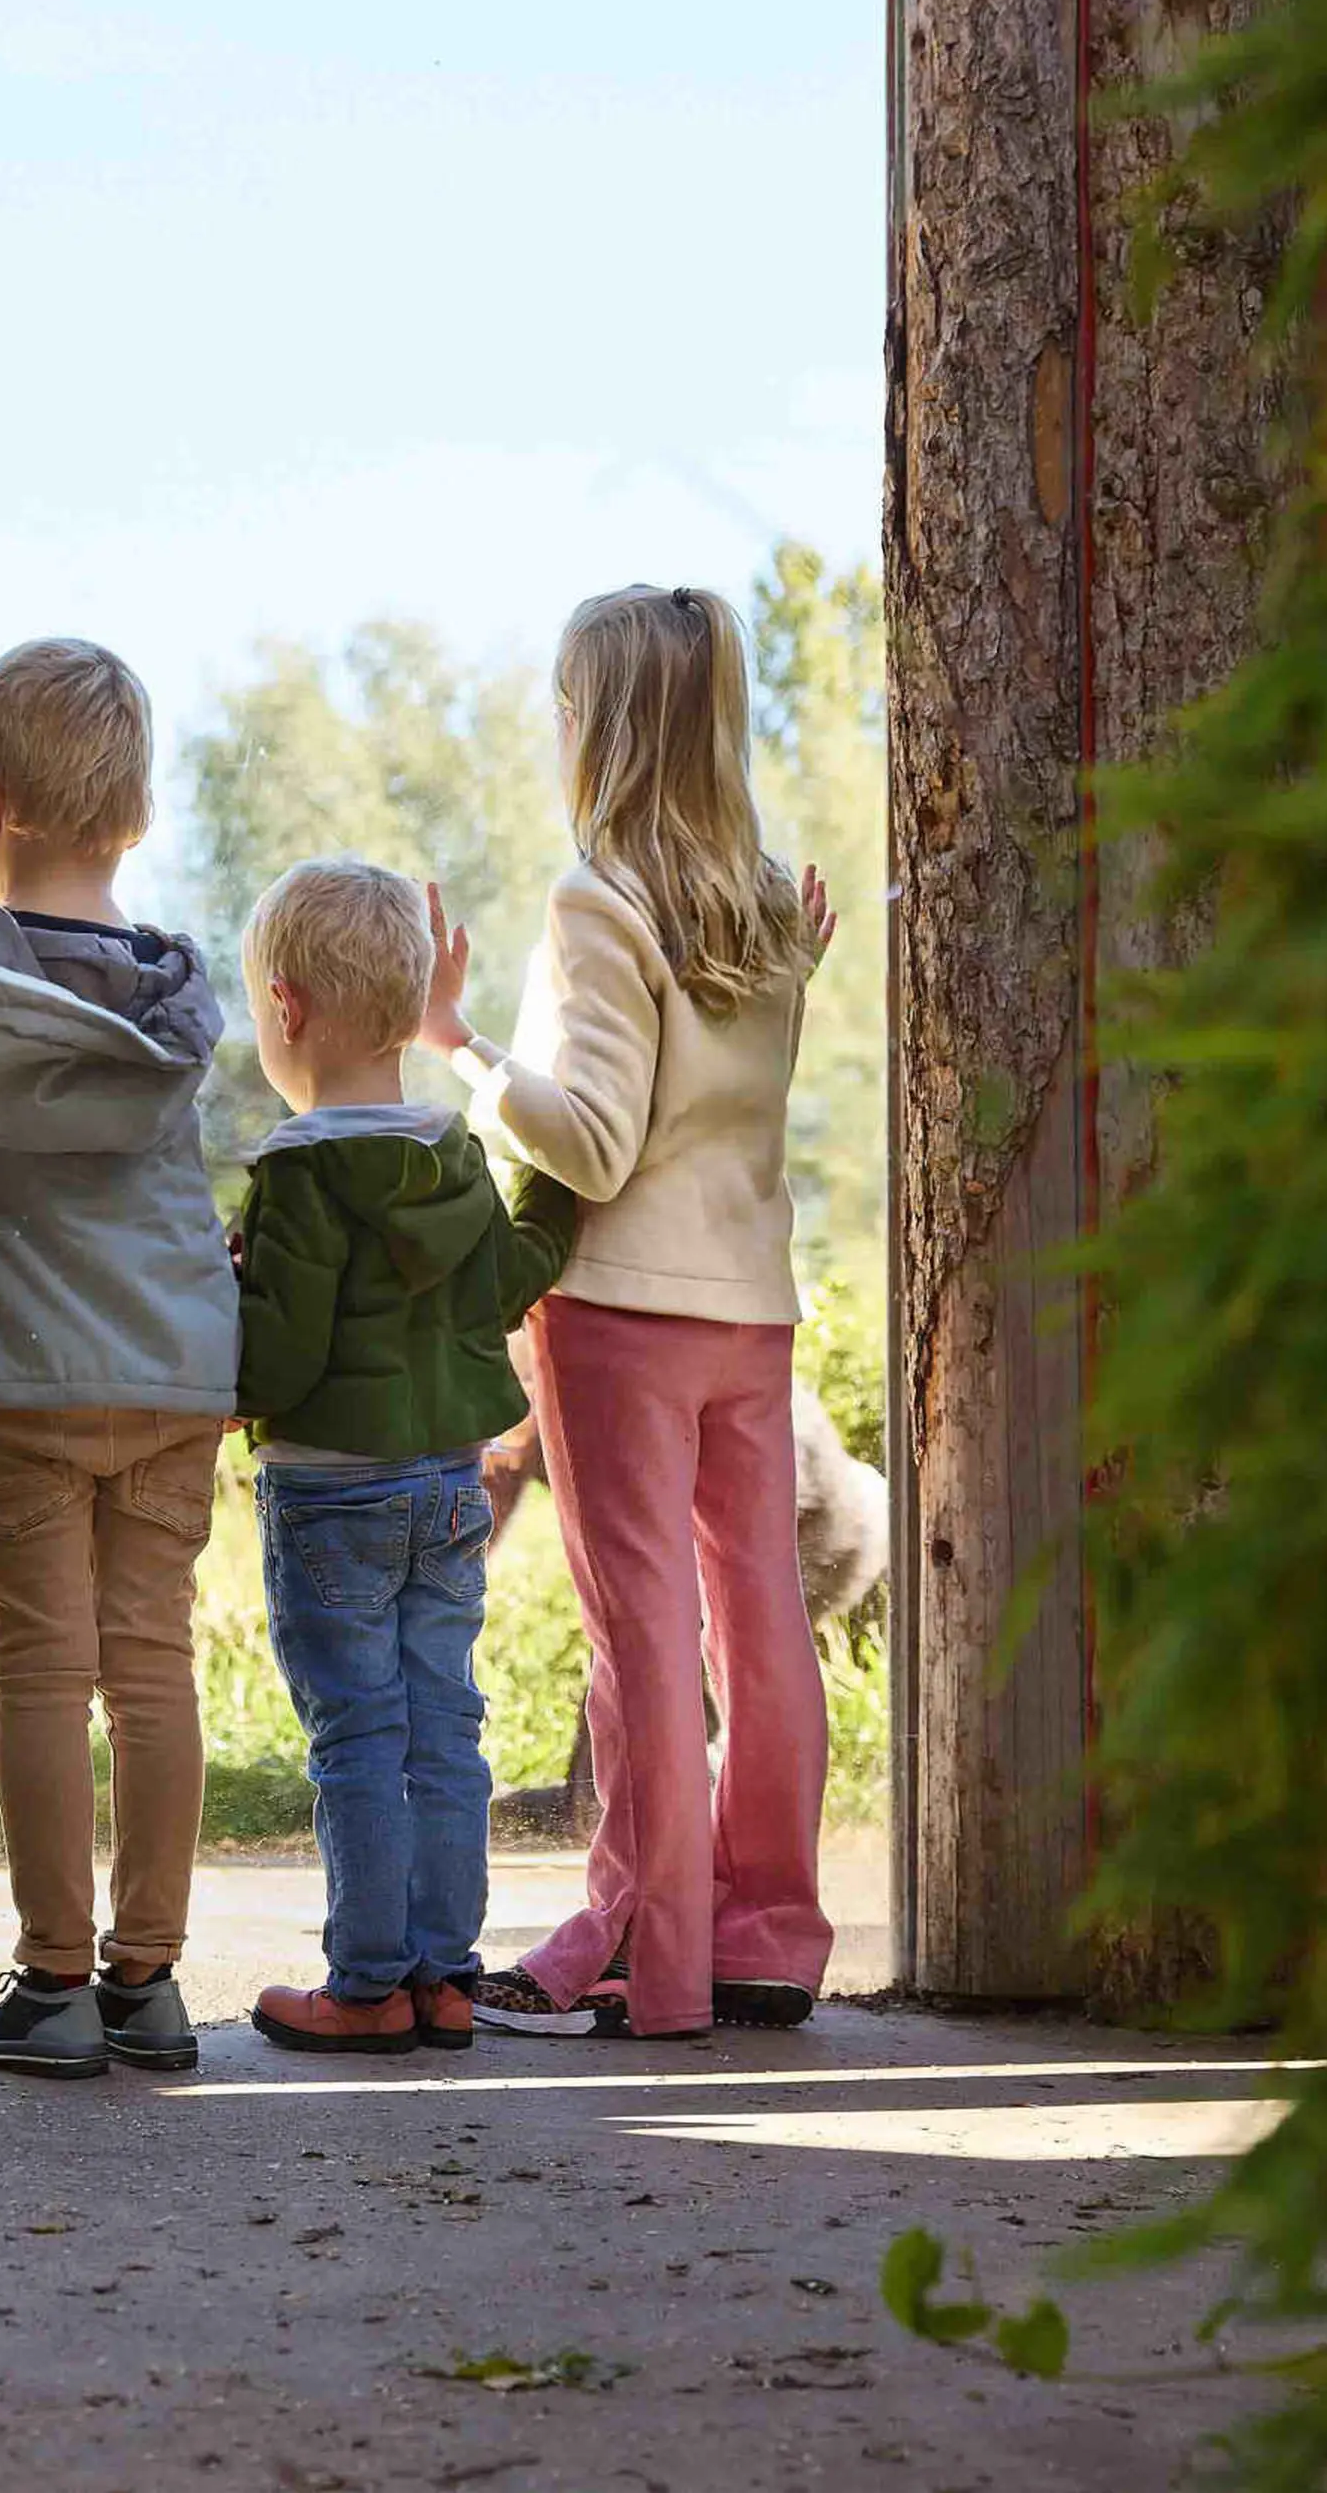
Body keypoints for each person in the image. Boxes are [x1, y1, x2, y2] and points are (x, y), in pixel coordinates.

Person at [430, 584, 842, 2040]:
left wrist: (461, 1045)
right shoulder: (770, 906)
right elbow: (731, 1100)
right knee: (762, 1618)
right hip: (752, 1310)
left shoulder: (597, 901)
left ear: (598, 730)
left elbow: (597, 1145)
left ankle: (651, 1962)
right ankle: (767, 1936)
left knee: (646, 1635)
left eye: (563, 708)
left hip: (621, 1315)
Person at [0, 638, 240, 2078]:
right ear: (135, 814)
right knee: (152, 1667)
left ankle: (53, 1983)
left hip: (24, 1375)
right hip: (174, 1374)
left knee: (40, 1670)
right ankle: (151, 1982)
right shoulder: (177, 1001)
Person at [230, 859, 577, 2055]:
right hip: (448, 1487)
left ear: (285, 1007)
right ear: (413, 1000)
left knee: (359, 1739)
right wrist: (558, 1187)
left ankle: (368, 1983)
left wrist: (219, 1313)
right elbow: (511, 1277)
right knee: (445, 1731)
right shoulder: (457, 1158)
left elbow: (278, 1364)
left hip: (331, 1496)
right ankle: (445, 1976)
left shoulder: (300, 1171)